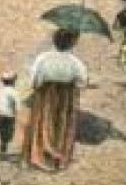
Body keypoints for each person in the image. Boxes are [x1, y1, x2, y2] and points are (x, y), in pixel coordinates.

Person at [22, 27, 88, 173]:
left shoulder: (43, 58)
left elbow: (35, 79)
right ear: (72, 43)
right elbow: (82, 81)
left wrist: (38, 88)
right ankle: (58, 156)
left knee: (43, 122)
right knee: (62, 124)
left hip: (46, 93)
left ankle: (39, 155)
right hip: (66, 95)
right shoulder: (75, 62)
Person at [0, 72, 19, 155]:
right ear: (12, 82)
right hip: (8, 115)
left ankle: (0, 148)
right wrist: (16, 114)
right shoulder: (13, 92)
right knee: (8, 133)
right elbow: (16, 105)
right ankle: (4, 149)